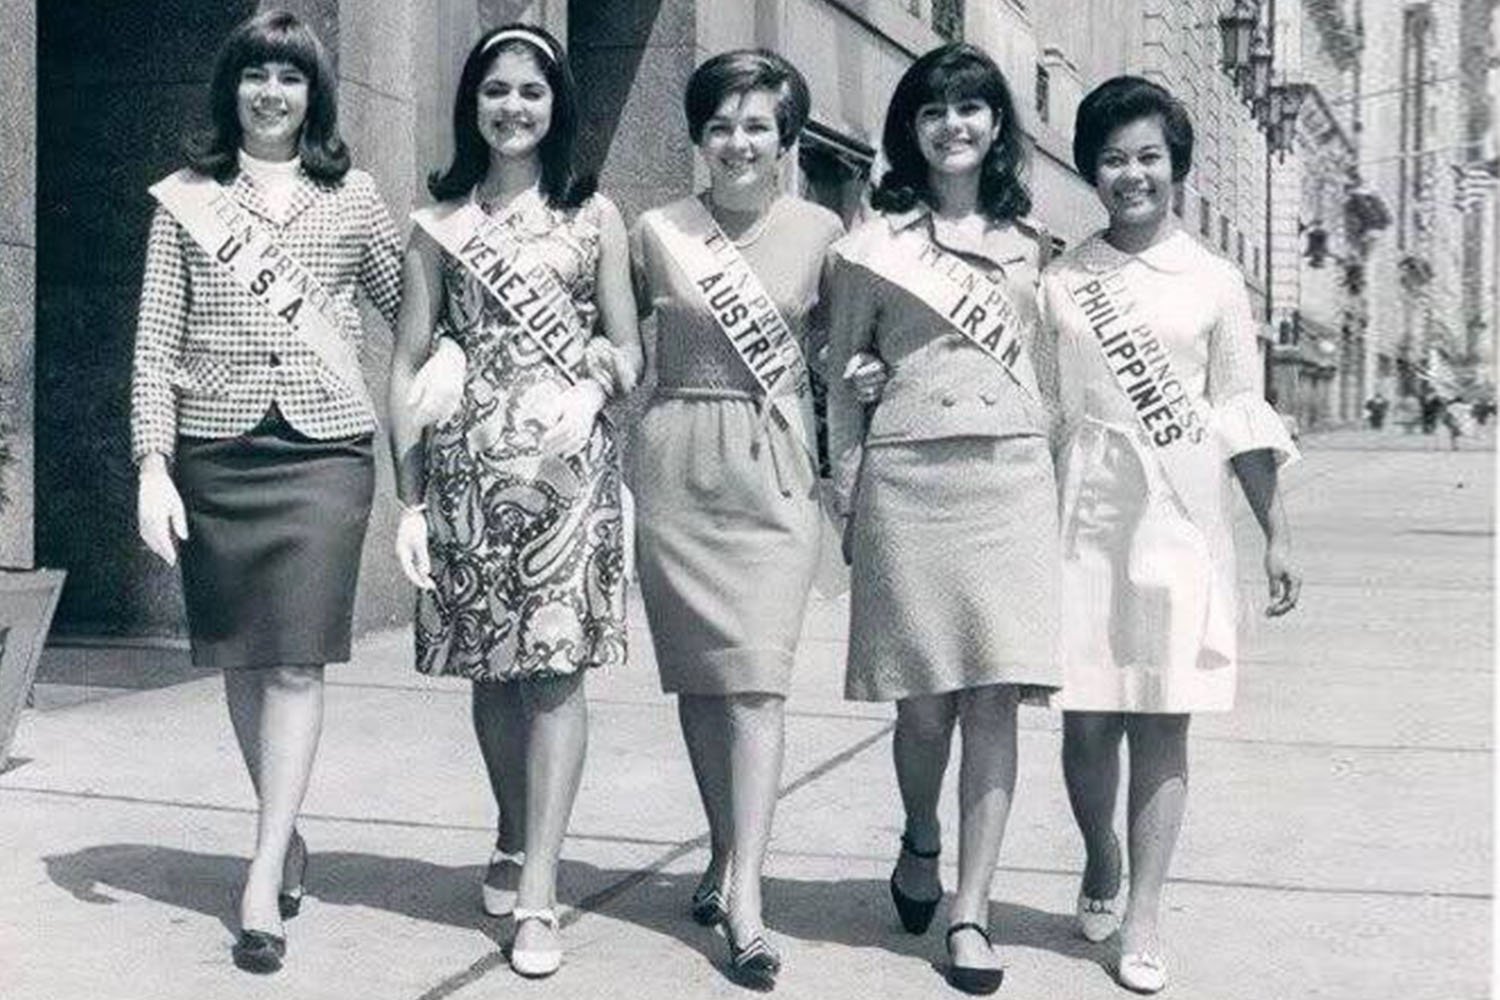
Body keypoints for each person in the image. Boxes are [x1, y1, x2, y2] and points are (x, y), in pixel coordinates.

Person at [130, 9, 412, 974]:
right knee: (244, 662)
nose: (271, 93)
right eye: (255, 74)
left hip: (325, 453)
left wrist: (456, 367)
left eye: (290, 78)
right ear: (232, 89)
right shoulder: (187, 202)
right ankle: (282, 833)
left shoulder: (354, 196)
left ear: (314, 95)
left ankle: (260, 874)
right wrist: (152, 464)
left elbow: (412, 310)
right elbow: (154, 344)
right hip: (217, 450)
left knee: (296, 661)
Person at [386, 23, 640, 980]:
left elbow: (629, 346)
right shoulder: (438, 222)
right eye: (496, 90)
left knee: (556, 669)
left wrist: (598, 385)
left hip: (566, 471)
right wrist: (409, 498)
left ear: (556, 104)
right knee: (493, 672)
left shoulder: (594, 215)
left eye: (532, 91)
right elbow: (406, 358)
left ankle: (540, 888)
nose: (513, 107)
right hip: (467, 471)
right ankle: (511, 826)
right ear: (472, 104)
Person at [1038, 76, 1302, 994]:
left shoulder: (1215, 281)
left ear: (1175, 165)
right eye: (1114, 158)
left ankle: (1143, 912)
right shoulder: (1063, 280)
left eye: (1149, 156)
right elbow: (1042, 410)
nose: (1132, 174)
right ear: (1091, 169)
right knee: (1086, 719)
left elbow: (1239, 411)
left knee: (1162, 716)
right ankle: (1101, 854)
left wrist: (1275, 533)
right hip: (1084, 508)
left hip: (1178, 514)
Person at [628, 49, 884, 990]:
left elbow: (847, 341)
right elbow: (609, 333)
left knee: (758, 687)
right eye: (720, 126)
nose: (738, 143)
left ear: (786, 141)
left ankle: (747, 897)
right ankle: (725, 852)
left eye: (758, 127)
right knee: (702, 684)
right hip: (678, 462)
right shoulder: (658, 230)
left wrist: (866, 371)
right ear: (699, 136)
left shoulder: (823, 231)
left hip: (773, 468)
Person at [826, 43, 1061, 996]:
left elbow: (1049, 375)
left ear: (997, 125)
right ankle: (920, 833)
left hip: (1009, 478)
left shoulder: (1031, 244)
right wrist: (849, 499)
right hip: (908, 478)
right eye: (932, 111)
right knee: (923, 704)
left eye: (969, 108)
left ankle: (972, 907)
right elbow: (841, 380)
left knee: (994, 697)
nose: (952, 125)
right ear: (910, 129)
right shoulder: (871, 243)